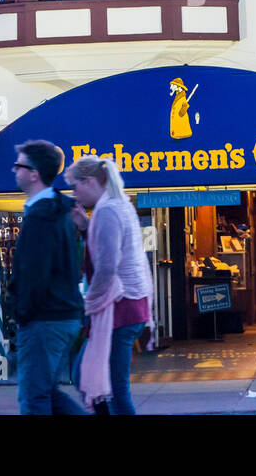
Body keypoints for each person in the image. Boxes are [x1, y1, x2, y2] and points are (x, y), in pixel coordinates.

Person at [65, 155, 153, 414]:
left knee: (112, 389)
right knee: (89, 378)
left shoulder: (107, 210)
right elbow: (108, 249)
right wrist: (85, 226)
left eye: (75, 186)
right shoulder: (117, 205)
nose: (74, 193)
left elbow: (107, 265)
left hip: (119, 310)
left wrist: (90, 303)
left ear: (90, 181)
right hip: (127, 307)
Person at [9, 139, 86, 415]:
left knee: (33, 397)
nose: (13, 170)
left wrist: (22, 313)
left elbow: (34, 274)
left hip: (44, 319)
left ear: (34, 174)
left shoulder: (41, 218)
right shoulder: (58, 212)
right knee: (48, 393)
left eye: (19, 165)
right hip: (62, 315)